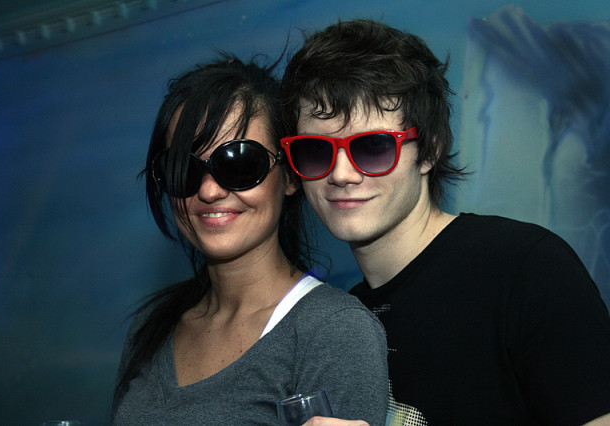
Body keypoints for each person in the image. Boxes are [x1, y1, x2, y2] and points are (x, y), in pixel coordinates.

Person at [281, 19, 610, 425]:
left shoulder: (526, 269)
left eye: (373, 147)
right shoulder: (345, 319)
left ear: (430, 151)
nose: (342, 174)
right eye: (315, 150)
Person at [111, 55, 388, 425]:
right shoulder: (151, 327)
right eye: (183, 170)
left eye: (239, 164)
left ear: (290, 176)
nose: (209, 191)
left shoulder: (334, 331)